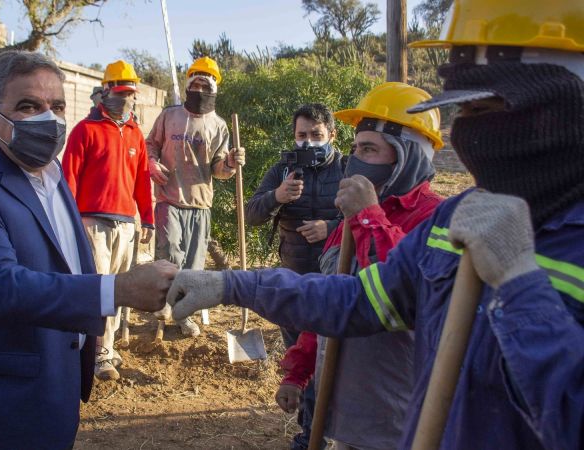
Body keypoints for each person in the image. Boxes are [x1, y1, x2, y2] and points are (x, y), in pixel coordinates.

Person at [167, 1, 584, 448]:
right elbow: (359, 298)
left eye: (488, 108)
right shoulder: (454, 220)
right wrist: (232, 285)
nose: (474, 135)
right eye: (467, 112)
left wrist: (521, 286)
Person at [0, 51, 176, 450]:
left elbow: (66, 262)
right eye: (29, 106)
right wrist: (118, 291)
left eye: (56, 106)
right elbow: (1, 287)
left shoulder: (51, 170)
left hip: (52, 388)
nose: (48, 118)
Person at [275, 82, 445, 450]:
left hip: (399, 416)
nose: (355, 160)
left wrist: (369, 217)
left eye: (369, 149)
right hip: (346, 408)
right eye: (354, 149)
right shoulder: (350, 217)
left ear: (408, 156)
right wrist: (300, 372)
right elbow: (329, 301)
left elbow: (402, 290)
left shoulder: (436, 218)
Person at [244, 102, 345, 450]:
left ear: (331, 135)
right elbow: (251, 215)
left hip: (338, 283)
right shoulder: (282, 170)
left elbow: (372, 214)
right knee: (301, 365)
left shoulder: (348, 169)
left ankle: (328, 433)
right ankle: (309, 431)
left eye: (316, 135)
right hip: (295, 281)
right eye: (302, 135)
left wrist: (332, 226)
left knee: (333, 362)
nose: (309, 142)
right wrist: (276, 196)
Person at [62, 59, 154, 381]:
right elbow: (69, 179)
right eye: (121, 91)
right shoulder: (84, 131)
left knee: (119, 288)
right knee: (101, 287)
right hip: (92, 222)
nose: (126, 98)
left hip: (127, 223)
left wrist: (148, 219)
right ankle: (98, 352)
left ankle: (109, 346)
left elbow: (142, 179)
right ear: (104, 92)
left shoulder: (135, 134)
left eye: (131, 93)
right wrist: (69, 222)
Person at [146, 56, 245, 337]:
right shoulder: (169, 115)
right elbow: (150, 145)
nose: (200, 87)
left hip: (200, 202)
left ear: (214, 88)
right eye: (196, 81)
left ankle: (183, 314)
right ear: (189, 83)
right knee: (169, 254)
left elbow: (218, 169)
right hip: (169, 197)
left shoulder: (219, 125)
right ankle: (164, 304)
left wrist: (230, 164)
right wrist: (152, 163)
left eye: (206, 82)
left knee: (194, 264)